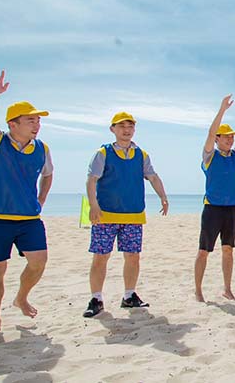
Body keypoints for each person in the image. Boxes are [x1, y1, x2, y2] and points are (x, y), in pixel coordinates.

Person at [83, 112, 169, 318]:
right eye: (122, 126)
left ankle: (129, 296)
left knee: (132, 257)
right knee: (101, 257)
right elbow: (92, 179)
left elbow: (153, 177)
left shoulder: (141, 154)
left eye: (130, 126)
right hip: (105, 215)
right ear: (112, 129)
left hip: (133, 215)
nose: (126, 130)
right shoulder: (103, 153)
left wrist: (163, 197)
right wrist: (93, 205)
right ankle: (96, 299)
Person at [0, 68, 53, 337]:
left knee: (38, 262)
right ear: (13, 124)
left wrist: (41, 198)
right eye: (30, 120)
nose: (36, 125)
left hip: (29, 219)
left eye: (38, 120)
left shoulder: (42, 148)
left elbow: (48, 175)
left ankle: (21, 298)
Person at [195, 94, 235, 302]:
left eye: (232, 137)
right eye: (226, 137)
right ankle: (198, 290)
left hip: (232, 209)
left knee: (228, 249)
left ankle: (227, 288)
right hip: (212, 208)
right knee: (204, 251)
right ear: (217, 139)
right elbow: (210, 132)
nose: (230, 140)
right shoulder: (209, 155)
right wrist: (222, 110)